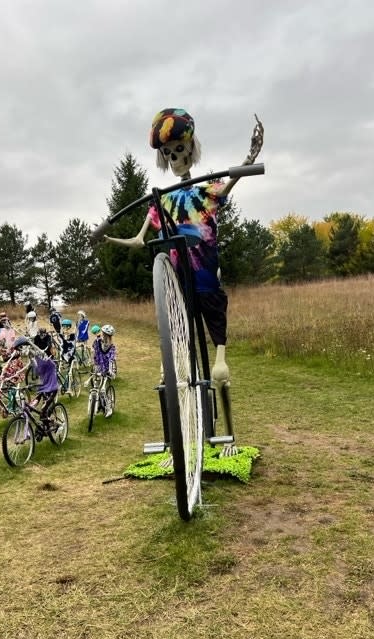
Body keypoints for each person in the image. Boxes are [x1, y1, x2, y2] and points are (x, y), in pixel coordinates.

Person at [104, 107, 264, 454]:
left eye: (179, 151)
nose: (175, 158)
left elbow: (230, 183)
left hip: (206, 282)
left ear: (191, 150)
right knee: (177, 361)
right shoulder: (163, 201)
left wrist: (250, 158)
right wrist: (108, 237)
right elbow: (139, 238)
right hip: (179, 289)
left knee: (219, 371)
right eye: (168, 154)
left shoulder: (205, 192)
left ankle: (228, 437)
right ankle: (177, 432)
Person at [92, 324, 117, 418]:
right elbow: (95, 353)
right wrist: (94, 364)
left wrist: (110, 370)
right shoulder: (97, 342)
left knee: (103, 390)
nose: (104, 336)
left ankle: (109, 407)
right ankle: (97, 405)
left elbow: (111, 359)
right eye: (103, 334)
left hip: (107, 369)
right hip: (98, 367)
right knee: (95, 385)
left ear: (109, 336)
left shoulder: (112, 347)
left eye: (106, 335)